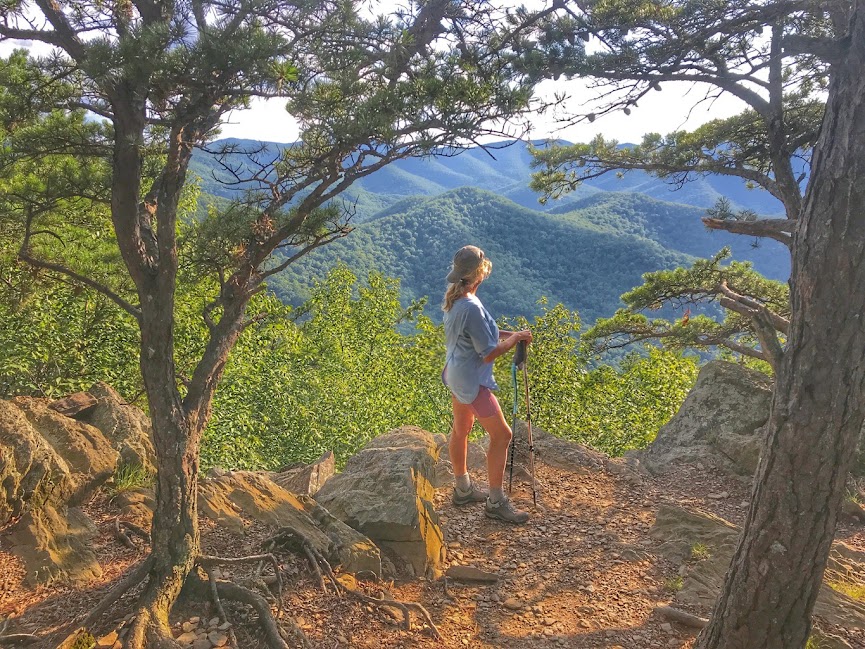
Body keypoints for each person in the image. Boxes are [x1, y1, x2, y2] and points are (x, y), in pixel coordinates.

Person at [442, 245, 532, 524]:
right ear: (480, 274)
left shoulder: (456, 300)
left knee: (461, 430)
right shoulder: (470, 305)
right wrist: (514, 339)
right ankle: (495, 501)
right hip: (472, 381)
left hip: (455, 374)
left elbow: (481, 334)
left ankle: (463, 488)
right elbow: (489, 352)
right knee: (503, 436)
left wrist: (512, 334)